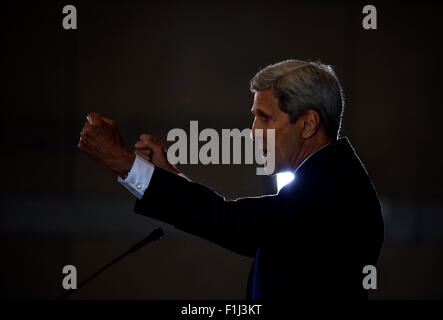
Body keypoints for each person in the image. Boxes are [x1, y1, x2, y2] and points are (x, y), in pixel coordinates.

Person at [78, 59, 384, 299]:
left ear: (307, 123)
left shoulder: (333, 187)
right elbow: (247, 225)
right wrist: (166, 176)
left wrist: (121, 161)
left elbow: (234, 224)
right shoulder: (332, 177)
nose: (252, 131)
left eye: (264, 117)